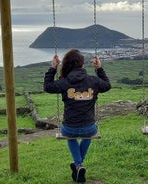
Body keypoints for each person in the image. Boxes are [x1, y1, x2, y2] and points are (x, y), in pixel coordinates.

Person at [43, 48, 111, 183]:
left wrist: (53, 68)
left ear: (67, 64)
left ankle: (78, 164)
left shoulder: (65, 82)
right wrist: (99, 69)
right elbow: (107, 85)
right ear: (82, 64)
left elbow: (48, 86)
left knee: (71, 136)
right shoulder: (93, 81)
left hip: (69, 128)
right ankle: (78, 165)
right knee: (89, 133)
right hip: (89, 127)